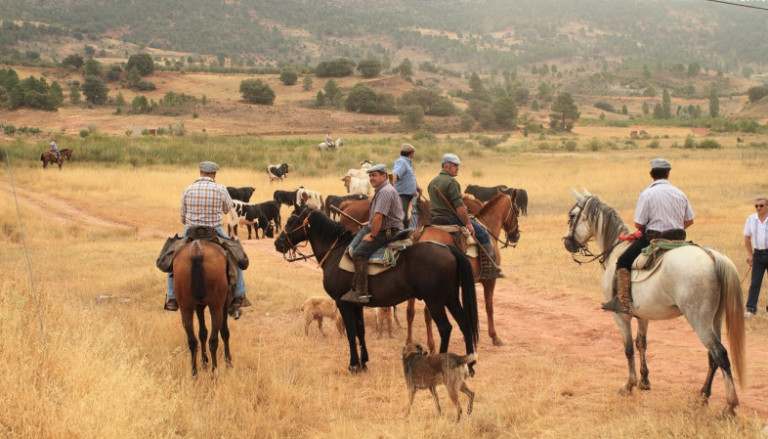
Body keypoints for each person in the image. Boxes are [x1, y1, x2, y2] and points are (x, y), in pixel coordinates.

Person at [604, 158, 695, 313]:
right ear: (668, 174)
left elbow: (638, 224)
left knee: (623, 261)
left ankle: (623, 302)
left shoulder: (647, 194)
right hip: (679, 239)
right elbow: (690, 220)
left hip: (654, 238)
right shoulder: (680, 193)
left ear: (651, 174)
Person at [165, 161, 250, 315]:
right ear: (214, 174)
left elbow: (183, 217)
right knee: (237, 254)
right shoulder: (220, 189)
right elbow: (227, 209)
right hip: (214, 230)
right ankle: (239, 294)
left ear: (200, 172)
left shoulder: (188, 189)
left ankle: (171, 297)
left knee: (170, 257)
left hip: (190, 230)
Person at [427, 153, 502, 279]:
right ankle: (488, 269)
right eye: (455, 166)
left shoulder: (432, 182)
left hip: (435, 219)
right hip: (451, 219)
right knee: (483, 234)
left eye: (458, 166)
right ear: (446, 167)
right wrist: (467, 223)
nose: (458, 168)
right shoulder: (452, 182)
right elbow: (459, 207)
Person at [340, 164, 404, 304]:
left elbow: (379, 217)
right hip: (384, 227)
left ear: (383, 176)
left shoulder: (385, 192)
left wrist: (373, 234)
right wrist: (369, 224)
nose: (371, 178)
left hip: (387, 232)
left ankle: (361, 293)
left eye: (374, 175)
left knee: (359, 253)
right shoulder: (382, 190)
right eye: (370, 175)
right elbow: (378, 216)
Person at [743, 197, 768, 317]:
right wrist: (750, 254)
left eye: (761, 206)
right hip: (757, 254)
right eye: (756, 206)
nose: (758, 208)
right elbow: (747, 237)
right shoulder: (751, 219)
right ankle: (751, 308)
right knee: (755, 282)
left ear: (767, 207)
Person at [392, 143, 421, 229]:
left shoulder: (407, 163)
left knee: (409, 215)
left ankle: (407, 231)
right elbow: (395, 174)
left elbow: (409, 177)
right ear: (411, 153)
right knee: (402, 217)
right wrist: (391, 184)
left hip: (408, 195)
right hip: (402, 195)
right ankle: (400, 234)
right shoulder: (402, 162)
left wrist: (417, 187)